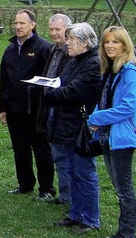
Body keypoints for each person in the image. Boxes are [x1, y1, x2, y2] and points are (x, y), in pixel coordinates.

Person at [43, 23, 102, 234]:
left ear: (84, 43)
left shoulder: (93, 64)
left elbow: (72, 92)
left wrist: (49, 94)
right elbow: (61, 82)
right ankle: (76, 213)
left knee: (84, 173)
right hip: (66, 123)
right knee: (72, 171)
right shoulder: (75, 60)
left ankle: (90, 218)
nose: (67, 43)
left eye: (71, 40)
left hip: (80, 127)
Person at [88, 26, 136, 238]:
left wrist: (96, 118)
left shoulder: (129, 71)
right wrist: (94, 117)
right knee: (118, 186)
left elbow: (128, 107)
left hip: (121, 136)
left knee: (124, 189)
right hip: (107, 134)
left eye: (115, 42)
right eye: (107, 42)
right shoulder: (110, 70)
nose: (110, 46)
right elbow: (103, 100)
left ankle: (127, 232)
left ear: (125, 45)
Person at [0, 9, 56, 198]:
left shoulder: (43, 48)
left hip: (36, 109)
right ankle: (25, 184)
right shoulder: (10, 49)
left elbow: (51, 80)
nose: (18, 27)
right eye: (16, 23)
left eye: (22, 23)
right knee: (20, 149)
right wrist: (3, 107)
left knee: (41, 149)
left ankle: (46, 188)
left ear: (33, 25)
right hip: (14, 109)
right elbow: (4, 80)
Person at [36, 13, 73, 204]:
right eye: (51, 29)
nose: (53, 33)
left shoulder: (72, 52)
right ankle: (65, 194)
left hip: (64, 108)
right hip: (49, 104)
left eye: (57, 29)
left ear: (68, 29)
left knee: (66, 155)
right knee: (57, 153)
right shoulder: (53, 50)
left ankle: (69, 195)